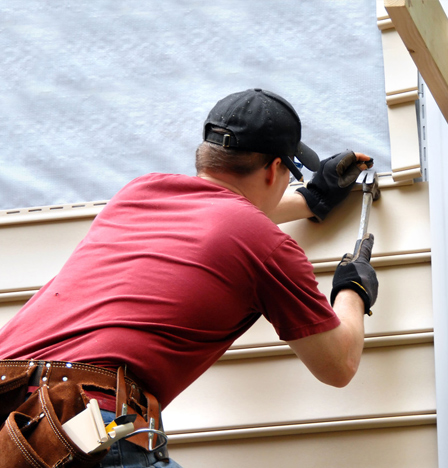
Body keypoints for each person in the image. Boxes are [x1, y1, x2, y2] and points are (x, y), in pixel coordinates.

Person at [0, 88, 378, 468]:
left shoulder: (138, 193)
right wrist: (353, 288)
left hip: (11, 413)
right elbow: (338, 365)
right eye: (292, 174)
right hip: (79, 419)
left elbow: (217, 219)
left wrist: (312, 199)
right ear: (273, 169)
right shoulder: (266, 245)